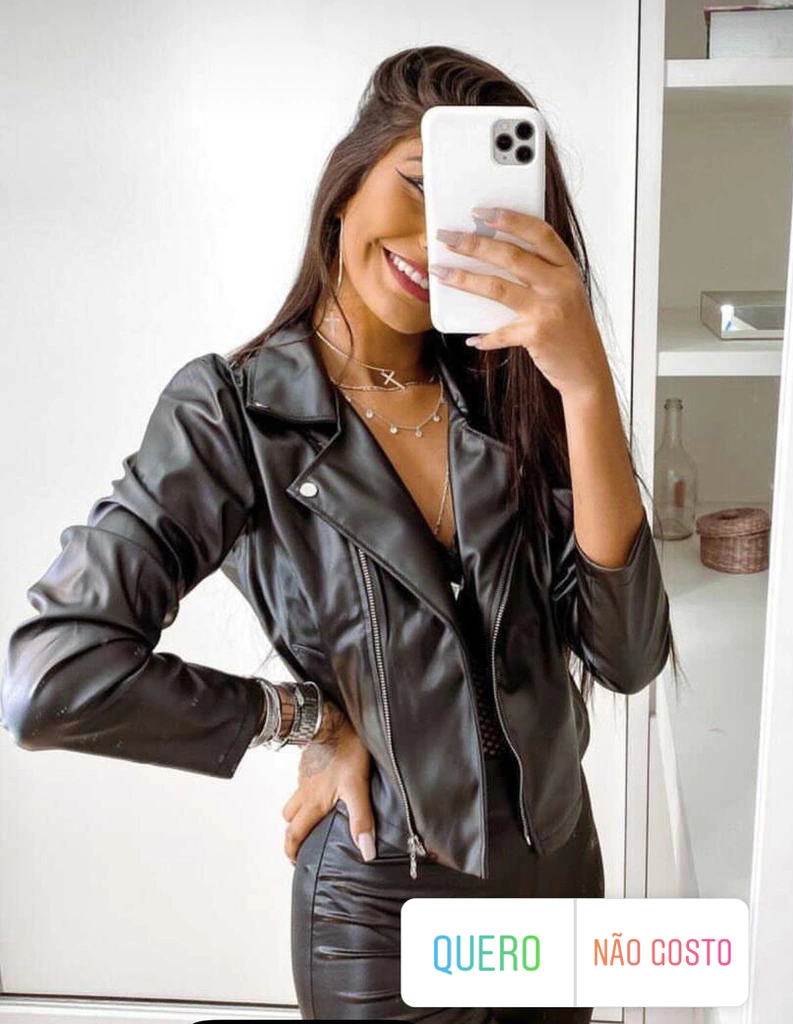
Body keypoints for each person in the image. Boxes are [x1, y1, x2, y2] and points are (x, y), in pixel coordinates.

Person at [1, 45, 677, 1023]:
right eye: (417, 185)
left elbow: (626, 656)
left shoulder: (511, 392)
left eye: (475, 209)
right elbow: (51, 676)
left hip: (562, 879)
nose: (437, 238)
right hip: (383, 911)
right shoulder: (234, 415)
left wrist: (583, 384)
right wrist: (310, 718)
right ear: (346, 182)